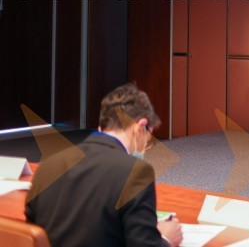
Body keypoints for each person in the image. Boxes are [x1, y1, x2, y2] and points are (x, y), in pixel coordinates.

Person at [25, 83, 183, 247]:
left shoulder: (48, 165)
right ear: (140, 127)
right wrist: (165, 239)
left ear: (102, 128)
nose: (147, 146)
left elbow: (31, 234)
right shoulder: (135, 171)